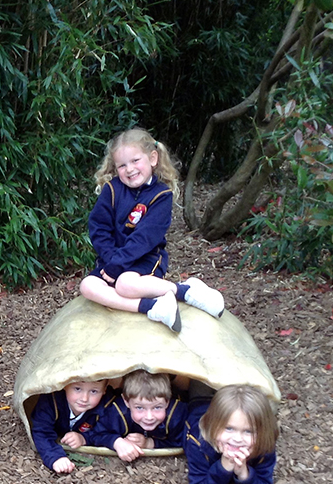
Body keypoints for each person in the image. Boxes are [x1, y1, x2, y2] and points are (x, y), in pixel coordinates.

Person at [79, 128, 225, 332]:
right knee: (87, 286)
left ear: (153, 158)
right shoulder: (111, 190)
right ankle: (152, 306)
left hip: (144, 258)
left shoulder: (161, 195)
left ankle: (184, 291)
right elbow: (99, 229)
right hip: (112, 260)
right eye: (122, 165)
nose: (129, 169)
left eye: (135, 161)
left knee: (124, 285)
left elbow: (145, 238)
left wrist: (118, 265)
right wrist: (112, 261)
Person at [184, 384, 278, 484]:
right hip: (198, 404)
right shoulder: (197, 442)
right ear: (212, 425)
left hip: (220, 408)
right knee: (197, 385)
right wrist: (223, 467)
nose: (237, 439)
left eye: (248, 431)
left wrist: (244, 474)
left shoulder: (263, 445)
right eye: (229, 428)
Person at [91, 370, 186, 462]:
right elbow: (95, 434)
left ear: (167, 401)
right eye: (140, 408)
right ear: (126, 401)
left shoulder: (176, 415)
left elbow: (182, 441)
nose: (149, 417)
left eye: (157, 407)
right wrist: (116, 442)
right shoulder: (117, 413)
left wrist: (149, 443)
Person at [30, 379, 112, 474]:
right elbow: (41, 431)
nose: (84, 398)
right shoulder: (50, 400)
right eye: (77, 389)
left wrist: (84, 438)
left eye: (94, 391)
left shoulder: (108, 405)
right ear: (64, 384)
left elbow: (108, 429)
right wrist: (55, 457)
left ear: (104, 390)